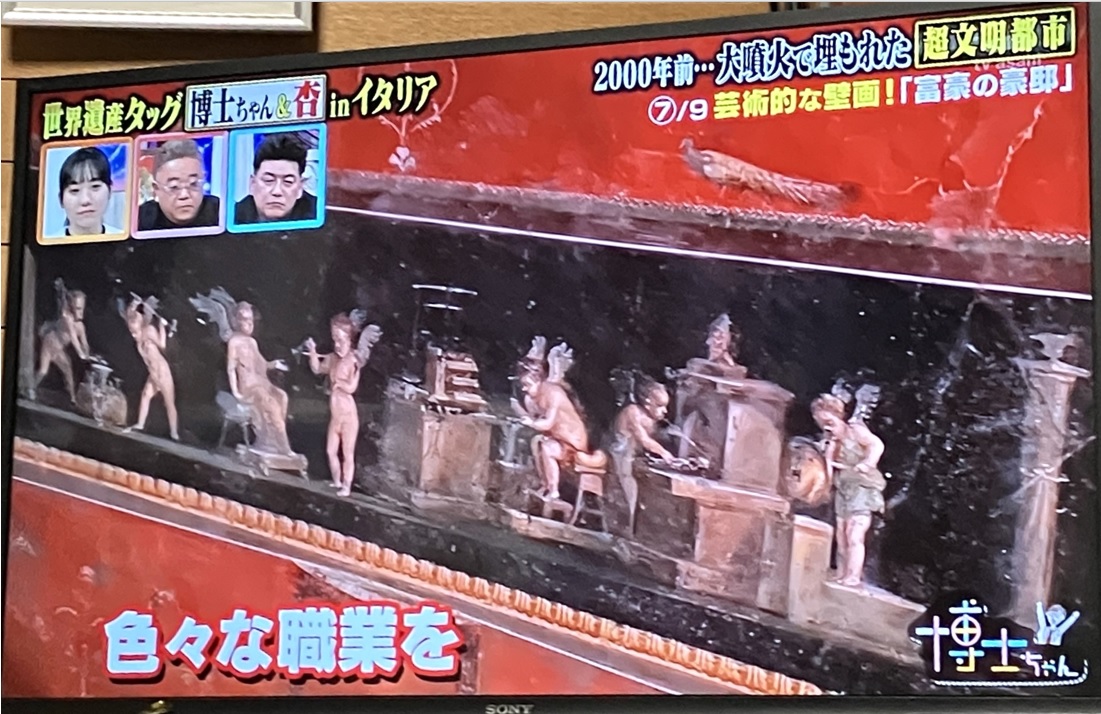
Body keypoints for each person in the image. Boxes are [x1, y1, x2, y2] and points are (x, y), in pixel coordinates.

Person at [811, 388, 887, 588]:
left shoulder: (855, 431)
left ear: (839, 417)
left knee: (855, 534)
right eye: (823, 425)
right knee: (842, 536)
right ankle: (842, 573)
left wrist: (868, 463)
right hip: (844, 490)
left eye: (830, 423)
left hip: (862, 488)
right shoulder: (831, 442)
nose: (828, 428)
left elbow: (876, 445)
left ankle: (853, 576)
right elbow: (828, 468)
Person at [305, 313, 381, 497]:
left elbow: (352, 386)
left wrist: (340, 385)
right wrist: (313, 352)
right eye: (334, 340)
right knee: (331, 451)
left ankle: (347, 485)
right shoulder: (332, 358)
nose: (337, 345)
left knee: (347, 453)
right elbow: (317, 369)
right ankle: (337, 480)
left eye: (341, 340)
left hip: (348, 416)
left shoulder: (353, 360)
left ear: (349, 339)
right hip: (335, 416)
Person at [122, 296, 179, 441]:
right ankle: (140, 424)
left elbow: (162, 345)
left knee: (169, 402)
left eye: (135, 331)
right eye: (131, 331)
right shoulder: (138, 341)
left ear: (141, 325)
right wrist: (134, 304)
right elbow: (129, 316)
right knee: (145, 395)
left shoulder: (149, 331)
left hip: (162, 372)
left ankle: (174, 432)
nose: (133, 334)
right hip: (152, 372)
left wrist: (161, 326)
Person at [234, 133, 317, 224]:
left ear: (300, 188)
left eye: (288, 182)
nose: (277, 191)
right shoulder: (230, 218)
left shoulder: (320, 217)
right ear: (252, 184)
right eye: (268, 180)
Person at [137, 139, 220, 231]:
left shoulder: (223, 214)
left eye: (193, 183)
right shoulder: (139, 221)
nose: (184, 195)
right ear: (156, 189)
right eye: (174, 187)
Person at [34, 280, 91, 403]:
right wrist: (80, 353)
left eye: (82, 309)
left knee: (68, 369)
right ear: (71, 308)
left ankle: (72, 399)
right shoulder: (67, 319)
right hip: (50, 343)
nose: (80, 312)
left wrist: (87, 352)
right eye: (77, 309)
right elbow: (73, 338)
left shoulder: (80, 326)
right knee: (43, 370)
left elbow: (84, 342)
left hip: (59, 348)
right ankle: (30, 387)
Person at [54, 146, 120, 236]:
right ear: (61, 199)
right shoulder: (47, 243)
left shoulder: (126, 240)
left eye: (95, 186)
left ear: (110, 191)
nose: (85, 200)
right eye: (74, 190)